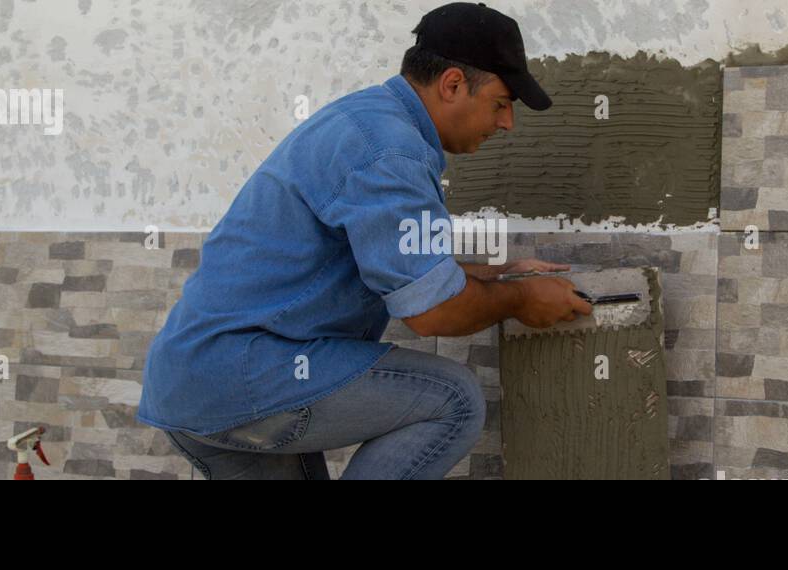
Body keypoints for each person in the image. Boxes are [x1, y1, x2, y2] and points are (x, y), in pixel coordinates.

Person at [137, 2, 592, 480]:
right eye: (501, 103)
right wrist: (521, 299)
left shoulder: (367, 121)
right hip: (247, 375)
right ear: (453, 84)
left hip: (195, 382)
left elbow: (400, 268)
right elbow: (432, 312)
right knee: (453, 400)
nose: (507, 124)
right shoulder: (390, 151)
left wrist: (499, 274)